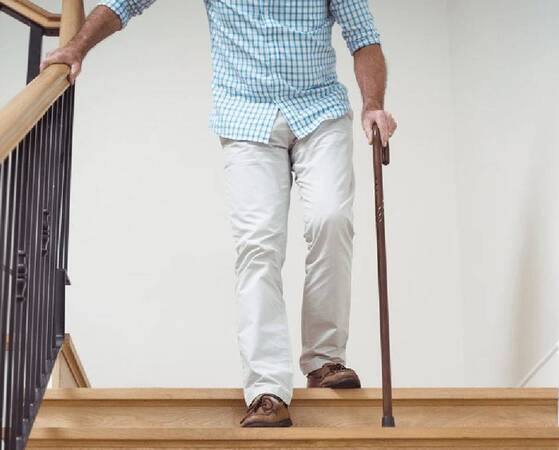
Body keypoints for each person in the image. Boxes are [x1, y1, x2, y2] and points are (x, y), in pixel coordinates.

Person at [41, 0, 397, 428]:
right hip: (245, 118)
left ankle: (325, 361)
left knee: (331, 220)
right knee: (258, 245)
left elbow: (364, 37)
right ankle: (267, 388)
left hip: (319, 112)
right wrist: (78, 48)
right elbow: (125, 3)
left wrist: (372, 103)